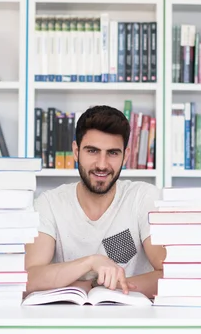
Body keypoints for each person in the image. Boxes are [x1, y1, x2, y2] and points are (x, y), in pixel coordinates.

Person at [24, 105, 165, 299]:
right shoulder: (49, 204)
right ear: (76, 151)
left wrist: (93, 286)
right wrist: (91, 262)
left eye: (113, 153)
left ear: (126, 156)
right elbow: (29, 278)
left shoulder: (143, 198)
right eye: (92, 151)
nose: (101, 164)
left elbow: (170, 275)